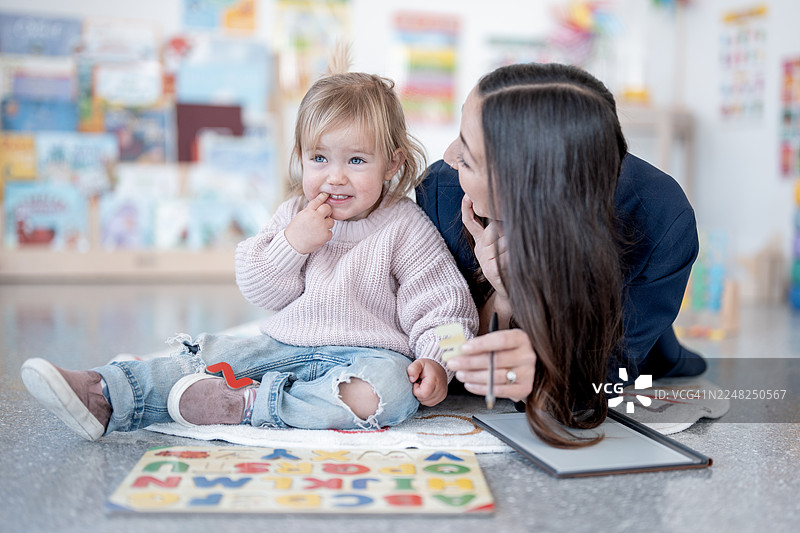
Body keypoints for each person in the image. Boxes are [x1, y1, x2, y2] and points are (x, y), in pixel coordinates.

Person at [21, 65, 478, 441]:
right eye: (319, 159)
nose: (335, 177)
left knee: (392, 392)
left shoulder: (405, 226)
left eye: (356, 161)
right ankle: (105, 392)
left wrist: (438, 361)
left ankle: (247, 403)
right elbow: (259, 288)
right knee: (210, 356)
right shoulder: (295, 214)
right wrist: (292, 245)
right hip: (285, 342)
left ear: (393, 163)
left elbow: (444, 307)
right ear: (301, 156)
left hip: (368, 356)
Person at [416, 63, 706, 447]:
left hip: (631, 360)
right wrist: (504, 295)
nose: (449, 155)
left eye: (467, 157)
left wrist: (540, 381)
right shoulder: (443, 189)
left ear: (525, 187)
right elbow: (447, 340)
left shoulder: (660, 218)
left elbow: (599, 381)